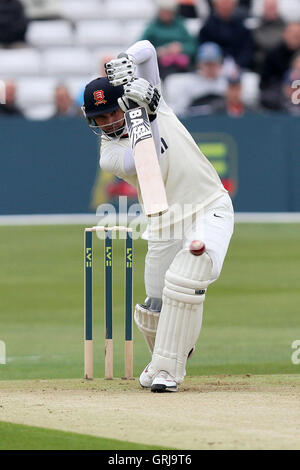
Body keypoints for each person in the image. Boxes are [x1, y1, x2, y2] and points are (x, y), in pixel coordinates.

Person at [82, 40, 234, 393]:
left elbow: (148, 50)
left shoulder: (156, 100)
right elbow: (142, 157)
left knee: (189, 272)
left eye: (111, 113)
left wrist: (126, 61)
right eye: (99, 118)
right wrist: (147, 115)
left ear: (123, 104)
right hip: (164, 220)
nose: (108, 122)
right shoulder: (111, 153)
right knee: (154, 307)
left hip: (208, 204)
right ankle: (171, 352)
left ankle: (167, 371)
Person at [164, 42, 227, 115]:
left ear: (219, 64)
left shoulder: (227, 83)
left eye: (213, 63)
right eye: (207, 64)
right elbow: (180, 111)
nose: (210, 68)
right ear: (199, 64)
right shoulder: (189, 83)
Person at [140, 0, 197, 79]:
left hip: (181, 65)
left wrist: (181, 48)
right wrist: (157, 52)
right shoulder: (152, 28)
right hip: (160, 67)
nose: (165, 14)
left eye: (168, 12)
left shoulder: (181, 27)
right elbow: (140, 48)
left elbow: (193, 47)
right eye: (163, 11)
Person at [198, 0, 254, 69]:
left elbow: (247, 50)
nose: (226, 6)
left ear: (234, 5)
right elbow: (204, 50)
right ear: (216, 5)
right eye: (223, 3)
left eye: (228, 3)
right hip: (214, 69)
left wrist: (238, 65)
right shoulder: (207, 28)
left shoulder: (242, 29)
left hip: (239, 68)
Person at [260, 22, 300, 110]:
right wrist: (285, 87)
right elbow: (265, 82)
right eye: (293, 34)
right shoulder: (273, 54)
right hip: (277, 90)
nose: (295, 37)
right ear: (285, 34)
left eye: (298, 35)